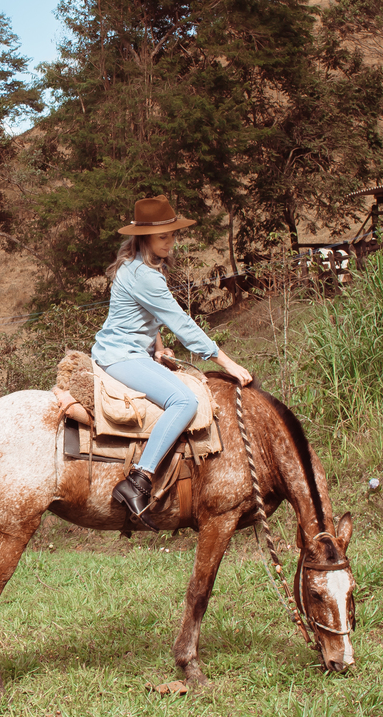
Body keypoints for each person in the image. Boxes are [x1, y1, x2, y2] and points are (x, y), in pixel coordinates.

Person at [93, 195, 253, 529]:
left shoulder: (137, 265)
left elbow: (146, 317)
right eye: (163, 236)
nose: (170, 242)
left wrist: (158, 348)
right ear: (144, 238)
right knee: (184, 401)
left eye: (172, 235)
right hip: (121, 355)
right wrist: (228, 363)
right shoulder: (145, 275)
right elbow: (181, 323)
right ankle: (139, 479)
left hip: (125, 350)